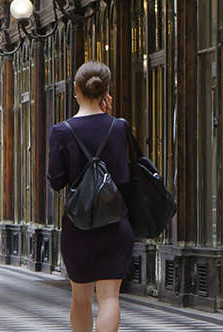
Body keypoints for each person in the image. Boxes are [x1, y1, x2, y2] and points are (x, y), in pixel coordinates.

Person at [46, 61, 132, 332]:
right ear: (106, 92)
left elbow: (56, 181)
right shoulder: (119, 127)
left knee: (81, 298)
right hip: (114, 222)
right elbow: (124, 177)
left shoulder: (62, 131)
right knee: (109, 298)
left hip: (78, 224)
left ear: (76, 89)